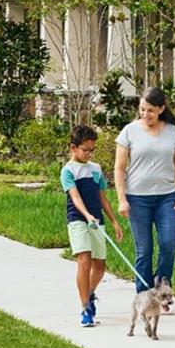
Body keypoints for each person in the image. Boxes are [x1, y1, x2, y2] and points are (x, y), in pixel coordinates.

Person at [116, 87, 175, 310]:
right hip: (137, 199)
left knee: (168, 244)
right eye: (142, 110)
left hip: (167, 198)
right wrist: (122, 198)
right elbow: (119, 168)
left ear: (161, 109)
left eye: (150, 111)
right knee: (144, 250)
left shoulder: (172, 132)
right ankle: (144, 295)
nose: (145, 115)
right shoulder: (129, 132)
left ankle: (163, 290)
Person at [62, 124, 121, 327]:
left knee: (100, 266)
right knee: (84, 260)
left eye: (91, 150)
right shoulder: (68, 171)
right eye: (85, 149)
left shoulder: (96, 169)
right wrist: (86, 215)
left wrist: (113, 221)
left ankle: (90, 292)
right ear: (73, 148)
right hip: (78, 220)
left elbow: (102, 197)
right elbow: (75, 196)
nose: (88, 154)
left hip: (97, 220)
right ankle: (86, 308)